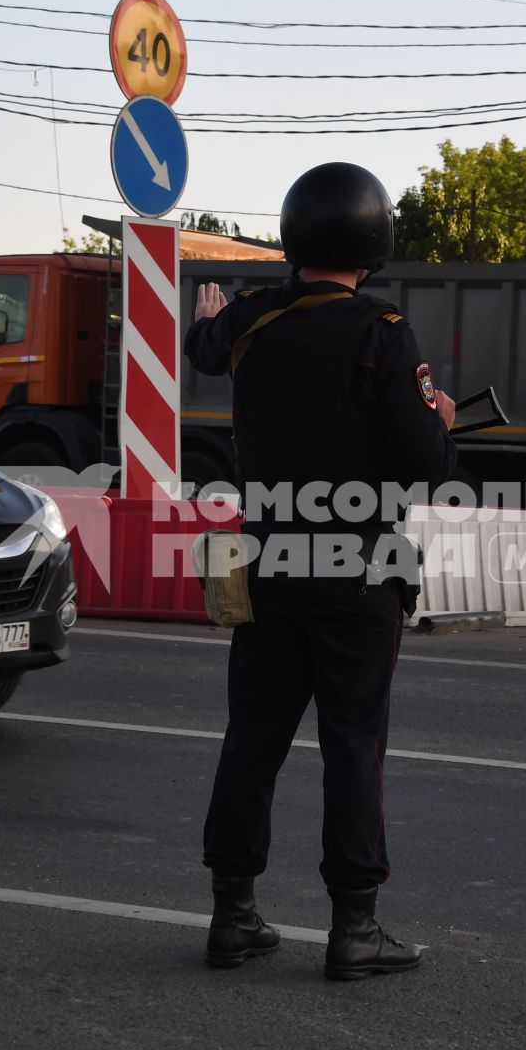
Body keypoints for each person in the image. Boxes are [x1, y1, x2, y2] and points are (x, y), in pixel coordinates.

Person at [185, 161, 456, 980]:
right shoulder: (381, 332)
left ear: (296, 234)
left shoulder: (250, 325)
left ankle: (233, 917)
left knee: (252, 742)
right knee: (352, 745)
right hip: (357, 570)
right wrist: (440, 420)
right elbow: (422, 472)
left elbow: (204, 345)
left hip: (266, 565)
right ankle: (354, 930)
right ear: (374, 239)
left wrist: (215, 314)